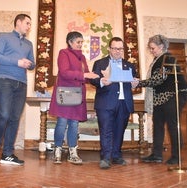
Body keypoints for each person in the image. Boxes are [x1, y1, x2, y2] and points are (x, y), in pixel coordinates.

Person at [0, 14, 35, 165]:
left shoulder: (29, 44)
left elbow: (33, 63)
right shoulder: (4, 37)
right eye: (27, 23)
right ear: (18, 22)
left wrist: (30, 64)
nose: (29, 26)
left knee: (14, 118)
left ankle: (7, 153)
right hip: (5, 80)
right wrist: (18, 62)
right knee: (4, 114)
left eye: (30, 24)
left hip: (22, 83)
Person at [138, 35, 187, 165]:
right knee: (158, 124)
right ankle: (157, 154)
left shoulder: (168, 58)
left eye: (153, 48)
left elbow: (158, 79)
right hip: (161, 97)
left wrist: (139, 83)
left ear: (161, 47)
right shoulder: (158, 59)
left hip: (174, 94)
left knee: (173, 125)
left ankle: (176, 156)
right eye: (150, 48)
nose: (151, 51)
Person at [49, 31, 99, 165]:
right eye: (78, 42)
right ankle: (57, 150)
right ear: (70, 42)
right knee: (62, 122)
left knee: (74, 124)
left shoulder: (82, 57)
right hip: (65, 93)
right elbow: (65, 73)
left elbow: (86, 75)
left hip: (78, 94)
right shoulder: (63, 53)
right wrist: (85, 76)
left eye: (82, 42)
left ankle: (73, 152)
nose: (81, 44)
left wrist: (97, 79)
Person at [90, 37, 137, 169]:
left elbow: (133, 82)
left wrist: (135, 84)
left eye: (120, 48)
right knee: (106, 130)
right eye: (115, 48)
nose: (118, 51)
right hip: (105, 103)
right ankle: (105, 157)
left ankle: (116, 156)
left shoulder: (130, 65)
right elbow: (93, 80)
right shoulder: (100, 63)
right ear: (109, 49)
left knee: (119, 131)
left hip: (124, 103)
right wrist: (101, 81)